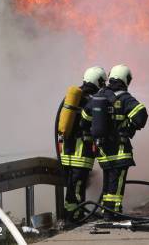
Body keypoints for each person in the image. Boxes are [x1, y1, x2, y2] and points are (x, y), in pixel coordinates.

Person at [81, 64, 148, 219]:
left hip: (103, 151)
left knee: (109, 182)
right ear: (125, 79)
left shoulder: (99, 96)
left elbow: (84, 119)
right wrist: (129, 127)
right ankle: (112, 212)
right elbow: (141, 115)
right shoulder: (124, 98)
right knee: (116, 185)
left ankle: (107, 210)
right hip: (120, 151)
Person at [58, 66, 107, 222]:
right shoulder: (89, 100)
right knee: (78, 186)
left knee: (72, 186)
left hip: (67, 151)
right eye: (102, 82)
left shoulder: (72, 98)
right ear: (97, 80)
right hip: (81, 152)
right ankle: (75, 217)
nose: (103, 85)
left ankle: (71, 214)